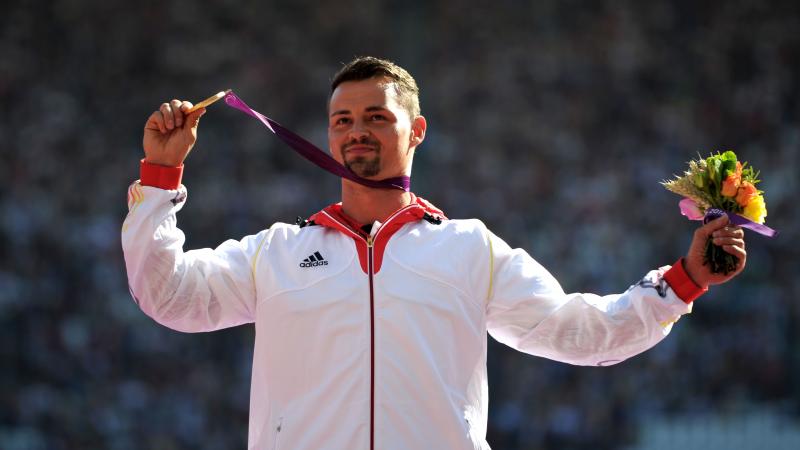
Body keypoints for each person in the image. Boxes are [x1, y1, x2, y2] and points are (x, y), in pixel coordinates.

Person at [121, 56, 747, 450]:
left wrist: (684, 279)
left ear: (415, 130)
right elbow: (167, 296)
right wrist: (159, 178)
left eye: (376, 116)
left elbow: (582, 333)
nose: (356, 130)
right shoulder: (275, 254)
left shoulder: (469, 249)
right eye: (341, 120)